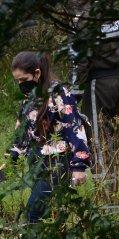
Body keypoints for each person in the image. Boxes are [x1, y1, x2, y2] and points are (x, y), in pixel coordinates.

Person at [8, 51, 91, 223]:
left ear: (37, 73)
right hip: (37, 163)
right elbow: (22, 133)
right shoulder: (27, 100)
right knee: (50, 213)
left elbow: (75, 129)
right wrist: (11, 157)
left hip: (59, 161)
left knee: (33, 212)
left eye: (23, 79)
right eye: (17, 81)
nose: (20, 84)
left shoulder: (60, 95)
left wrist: (79, 165)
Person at [68, 0, 119, 189]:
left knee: (97, 136)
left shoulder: (85, 19)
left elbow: (80, 60)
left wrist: (73, 94)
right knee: (115, 134)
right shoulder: (114, 12)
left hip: (99, 83)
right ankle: (115, 184)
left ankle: (105, 191)